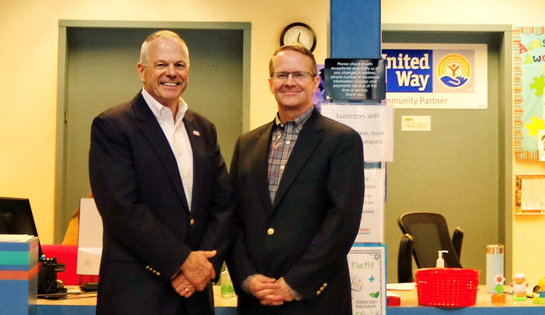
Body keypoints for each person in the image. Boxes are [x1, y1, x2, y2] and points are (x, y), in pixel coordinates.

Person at [88, 30, 233, 314]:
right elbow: (122, 210)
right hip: (137, 295)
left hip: (195, 296)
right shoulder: (113, 126)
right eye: (161, 64)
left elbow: (223, 204)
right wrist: (182, 262)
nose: (172, 73)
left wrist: (205, 267)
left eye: (179, 65)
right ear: (142, 71)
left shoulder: (204, 129)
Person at [226, 45, 364, 314]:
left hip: (314, 300)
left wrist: (295, 282)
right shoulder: (247, 144)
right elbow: (233, 219)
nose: (289, 82)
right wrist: (247, 277)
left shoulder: (341, 141)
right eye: (281, 75)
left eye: (299, 74)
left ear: (315, 81)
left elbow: (341, 222)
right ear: (270, 83)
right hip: (257, 299)